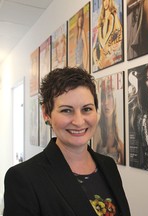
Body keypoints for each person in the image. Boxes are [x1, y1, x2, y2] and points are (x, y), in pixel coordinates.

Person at [3, 67, 130, 216]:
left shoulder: (108, 166)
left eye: (87, 109)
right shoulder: (24, 178)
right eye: (66, 110)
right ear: (46, 113)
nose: (78, 121)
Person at [93, 76, 125, 165]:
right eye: (103, 97)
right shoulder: (97, 129)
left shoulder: (120, 131)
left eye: (109, 96)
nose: (106, 102)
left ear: (115, 99)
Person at [92, 0, 123, 70]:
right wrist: (95, 57)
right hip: (101, 58)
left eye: (107, 1)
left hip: (110, 56)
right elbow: (98, 40)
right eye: (104, 1)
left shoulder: (113, 16)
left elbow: (116, 33)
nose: (105, 3)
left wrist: (107, 46)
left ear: (110, 2)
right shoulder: (101, 19)